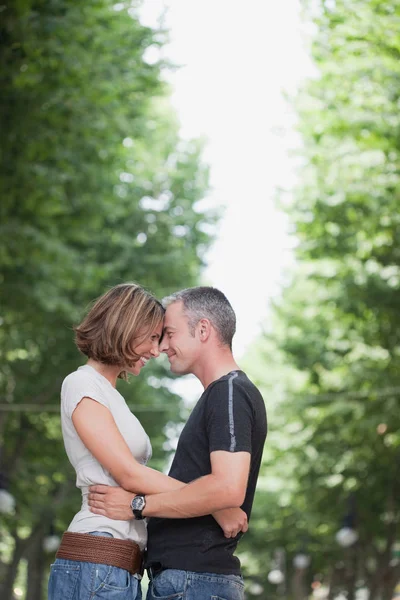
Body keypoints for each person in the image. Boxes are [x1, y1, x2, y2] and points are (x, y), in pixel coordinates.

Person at [48, 283, 247, 600]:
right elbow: (129, 474)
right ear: (126, 327)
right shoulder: (81, 383)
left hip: (119, 566)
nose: (157, 350)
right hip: (97, 557)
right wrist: (215, 506)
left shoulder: (109, 393)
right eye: (153, 337)